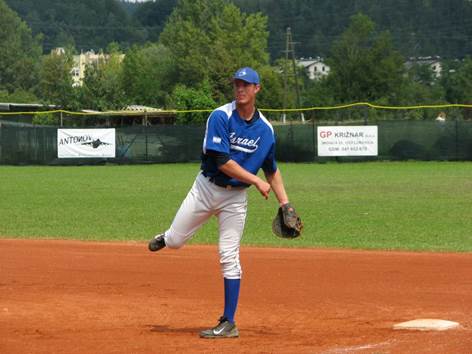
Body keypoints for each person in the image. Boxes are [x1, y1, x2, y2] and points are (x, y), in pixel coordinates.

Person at [148, 67, 292, 339]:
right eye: (237, 84)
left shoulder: (266, 130)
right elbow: (222, 162)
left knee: (229, 256)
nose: (240, 89)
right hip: (205, 189)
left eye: (246, 85)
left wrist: (285, 203)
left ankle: (229, 322)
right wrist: (256, 181)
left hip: (235, 199)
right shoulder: (220, 116)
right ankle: (166, 237)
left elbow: (271, 169)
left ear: (257, 89)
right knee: (177, 241)